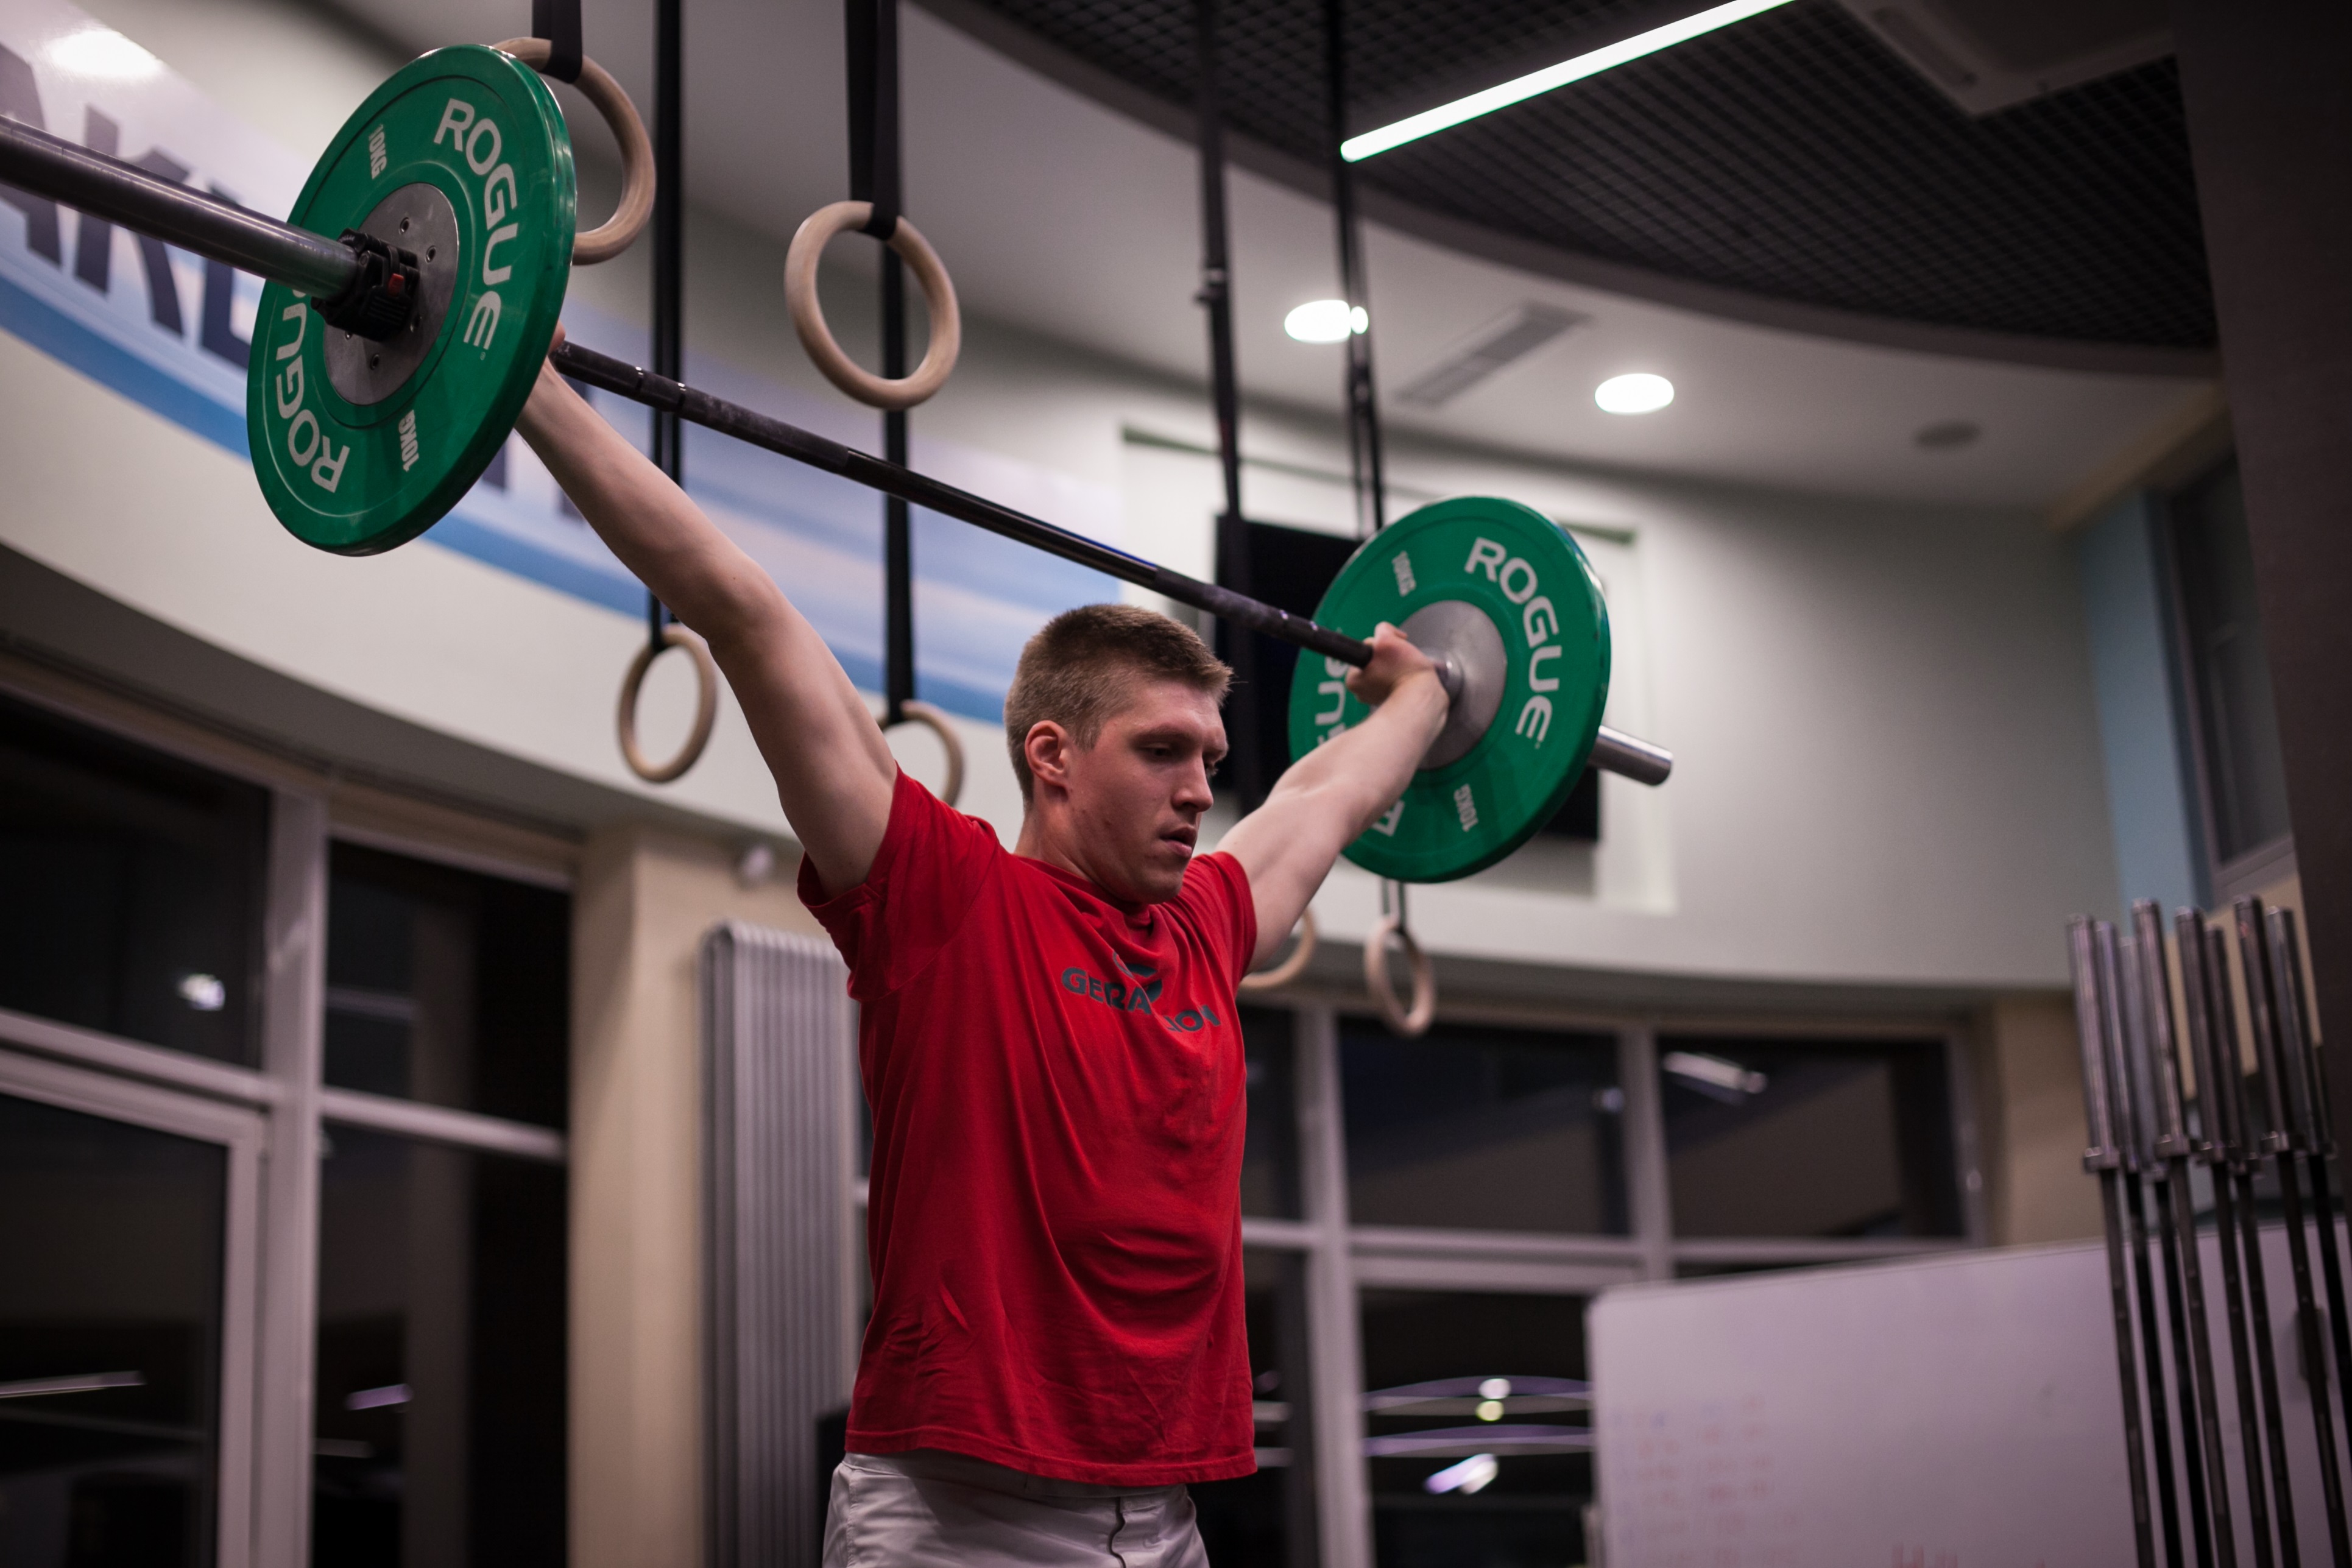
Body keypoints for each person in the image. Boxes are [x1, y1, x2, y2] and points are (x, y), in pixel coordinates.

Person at [518, 331, 1447, 1567]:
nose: (1196, 792)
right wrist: (521, 376)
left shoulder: (1202, 930)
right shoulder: (939, 897)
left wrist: (1430, 695)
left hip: (1163, 1516)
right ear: (1053, 756)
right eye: (1159, 751)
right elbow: (741, 611)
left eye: (1208, 762)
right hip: (959, 1514)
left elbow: (1327, 798)